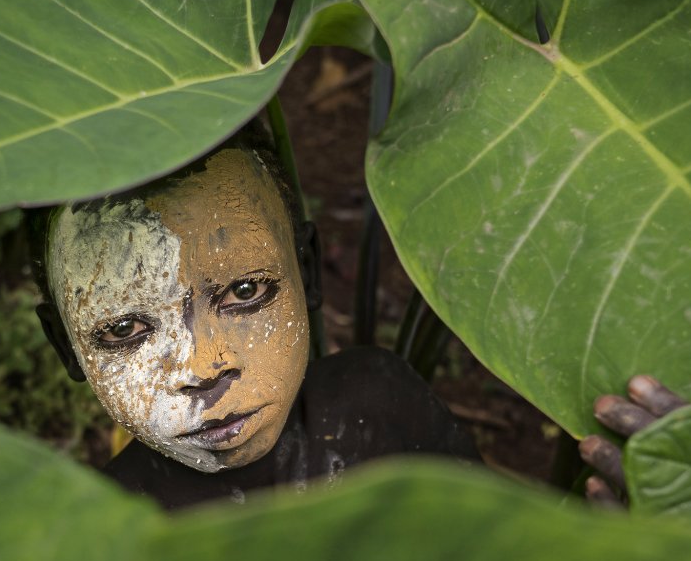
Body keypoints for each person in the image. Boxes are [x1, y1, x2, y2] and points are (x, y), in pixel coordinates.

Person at [29, 122, 480, 509]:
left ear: (306, 272)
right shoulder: (104, 542)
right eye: (125, 329)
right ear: (67, 348)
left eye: (245, 291)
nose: (204, 369)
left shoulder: (382, 409)